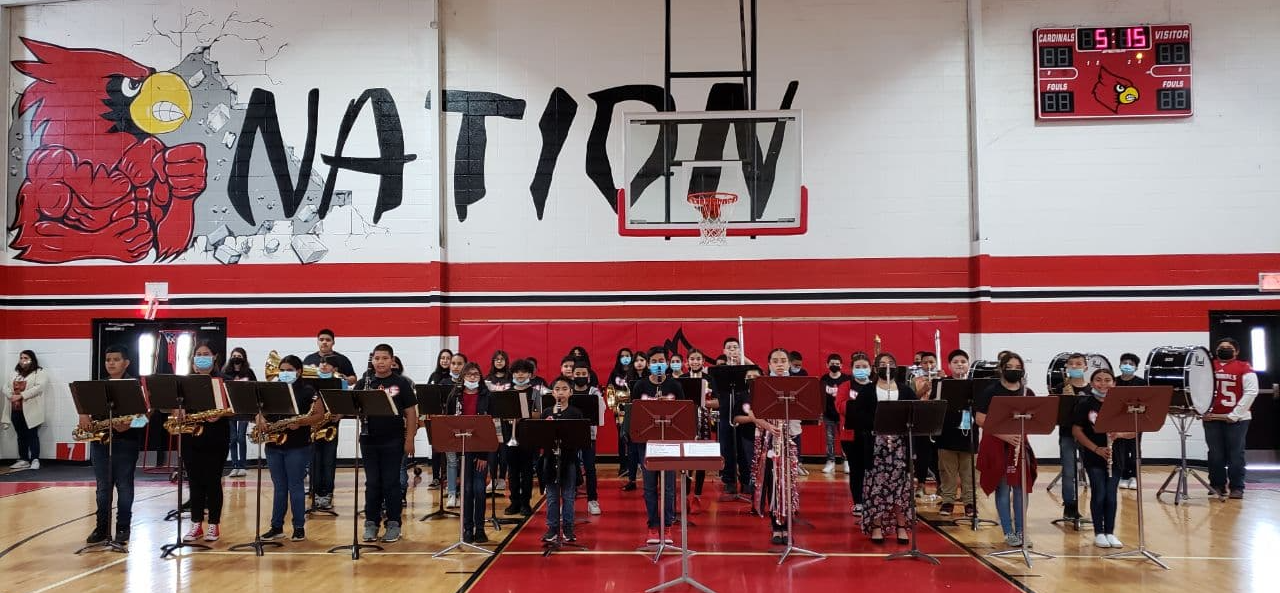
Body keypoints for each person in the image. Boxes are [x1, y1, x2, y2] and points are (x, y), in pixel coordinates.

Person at [80, 345, 146, 544]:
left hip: (126, 442)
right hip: (101, 442)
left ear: (126, 363)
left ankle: (123, 528)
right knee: (102, 488)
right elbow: (85, 409)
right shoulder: (98, 387)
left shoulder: (135, 386)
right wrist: (84, 415)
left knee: (124, 486)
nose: (111, 363)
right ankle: (102, 529)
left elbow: (145, 419)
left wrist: (129, 424)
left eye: (116, 359)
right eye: (108, 359)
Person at [356, 344, 418, 544]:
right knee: (372, 483)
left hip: (393, 440)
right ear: (372, 360)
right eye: (377, 358)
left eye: (384, 358)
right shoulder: (365, 381)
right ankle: (371, 524)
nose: (380, 362)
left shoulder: (401, 383)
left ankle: (393, 524)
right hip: (369, 440)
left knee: (392, 483)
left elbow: (410, 413)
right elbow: (352, 406)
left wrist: (409, 440)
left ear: (392, 360)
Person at [976, 352, 1039, 548]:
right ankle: (1008, 532)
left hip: (1019, 445)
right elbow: (980, 419)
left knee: (1021, 489)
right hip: (997, 443)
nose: (1014, 370)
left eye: (1017, 367)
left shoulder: (1027, 392)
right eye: (1009, 367)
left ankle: (1022, 531)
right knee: (1002, 488)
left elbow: (1036, 418)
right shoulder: (990, 391)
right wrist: (1004, 436)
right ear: (1001, 369)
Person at [259, 355, 323, 542]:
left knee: (295, 486)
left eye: (289, 370)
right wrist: (260, 420)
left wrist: (301, 421)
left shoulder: (308, 390)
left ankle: (299, 527)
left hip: (297, 444)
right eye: (282, 370)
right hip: (273, 444)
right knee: (279, 487)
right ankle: (276, 526)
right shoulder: (272, 389)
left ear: (299, 371)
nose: (284, 373)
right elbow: (260, 411)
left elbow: (319, 415)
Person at [746, 349, 804, 545]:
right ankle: (775, 526)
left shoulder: (799, 385)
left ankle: (787, 525)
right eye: (775, 361)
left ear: (789, 364)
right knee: (772, 481)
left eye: (783, 361)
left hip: (792, 437)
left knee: (788, 481)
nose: (779, 364)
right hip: (769, 437)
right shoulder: (761, 385)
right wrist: (768, 426)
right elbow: (752, 412)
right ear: (769, 364)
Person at [859, 352, 918, 544]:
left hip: (899, 448)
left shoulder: (906, 391)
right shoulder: (867, 391)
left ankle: (902, 526)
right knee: (876, 488)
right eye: (882, 364)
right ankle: (876, 526)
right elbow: (860, 420)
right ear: (876, 369)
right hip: (876, 447)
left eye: (891, 363)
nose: (887, 366)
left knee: (900, 488)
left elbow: (915, 418)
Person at [1073, 368, 1132, 549]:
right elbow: (1076, 431)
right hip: (1094, 455)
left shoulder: (1121, 404)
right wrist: (1096, 449)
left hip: (1116, 456)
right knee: (1099, 493)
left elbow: (1134, 430)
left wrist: (1119, 434)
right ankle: (1099, 532)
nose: (1103, 383)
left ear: (1114, 384)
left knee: (1111, 495)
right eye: (1098, 380)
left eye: (1107, 380)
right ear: (1091, 383)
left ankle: (1110, 532)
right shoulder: (1085, 403)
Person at [182, 342, 231, 543]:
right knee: (194, 482)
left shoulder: (223, 381)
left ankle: (213, 525)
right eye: (198, 354)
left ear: (214, 357)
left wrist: (220, 414)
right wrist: (179, 411)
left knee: (212, 482)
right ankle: (195, 525)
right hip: (191, 436)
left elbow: (235, 407)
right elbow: (173, 406)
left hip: (216, 436)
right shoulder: (184, 383)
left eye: (206, 354)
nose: (202, 357)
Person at [634, 347, 684, 544]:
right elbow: (635, 415)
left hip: (669, 441)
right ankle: (653, 526)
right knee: (649, 486)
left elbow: (683, 413)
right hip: (646, 442)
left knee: (669, 486)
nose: (658, 365)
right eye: (654, 361)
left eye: (661, 360)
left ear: (667, 362)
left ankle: (668, 525)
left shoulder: (675, 385)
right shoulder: (640, 385)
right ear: (648, 364)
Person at [445, 361, 494, 543]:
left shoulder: (487, 397)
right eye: (469, 374)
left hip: (481, 449)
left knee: (479, 489)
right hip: (462, 449)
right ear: (463, 377)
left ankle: (479, 528)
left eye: (476, 374)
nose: (472, 377)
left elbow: (490, 426)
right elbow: (450, 423)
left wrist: (484, 455)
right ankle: (466, 528)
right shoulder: (455, 396)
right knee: (466, 490)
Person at [1204, 338, 1257, 500]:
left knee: (1236, 454)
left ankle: (1237, 487)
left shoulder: (1244, 367)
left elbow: (1251, 392)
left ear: (1236, 351)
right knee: (1215, 454)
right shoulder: (1208, 367)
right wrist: (1201, 410)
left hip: (1238, 419)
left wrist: (1234, 415)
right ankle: (1217, 485)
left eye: (1228, 347)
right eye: (1221, 347)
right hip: (1212, 417)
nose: (1224, 349)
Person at [540, 376, 585, 542]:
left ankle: (568, 528)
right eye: (557, 389)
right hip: (550, 459)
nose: (561, 392)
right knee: (552, 496)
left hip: (569, 459)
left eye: (564, 389)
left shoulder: (575, 413)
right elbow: (540, 437)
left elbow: (580, 438)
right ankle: (552, 528)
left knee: (568, 495)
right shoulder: (546, 412)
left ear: (571, 392)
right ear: (552, 393)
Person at [936, 349, 977, 517]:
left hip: (968, 433)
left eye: (963, 361)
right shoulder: (941, 384)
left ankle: (969, 502)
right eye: (955, 362)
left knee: (968, 471)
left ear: (968, 365)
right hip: (946, 433)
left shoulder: (975, 385)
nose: (959, 364)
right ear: (949, 365)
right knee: (947, 470)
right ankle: (948, 501)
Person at [1049, 353, 1089, 522]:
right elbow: (1053, 412)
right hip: (1066, 433)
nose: (1074, 367)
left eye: (1078, 364)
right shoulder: (1060, 387)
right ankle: (1070, 506)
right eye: (1071, 364)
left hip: (1088, 435)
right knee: (1068, 471)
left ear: (1085, 367)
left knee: (1092, 469)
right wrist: (1065, 399)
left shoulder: (1090, 389)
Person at [504, 359, 546, 516]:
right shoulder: (507, 393)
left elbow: (538, 415)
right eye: (516, 372)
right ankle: (514, 502)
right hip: (510, 439)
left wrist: (521, 415)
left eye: (523, 372)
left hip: (528, 439)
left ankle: (525, 503)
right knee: (512, 472)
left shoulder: (535, 393)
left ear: (530, 374)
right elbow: (502, 415)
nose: (520, 375)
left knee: (527, 472)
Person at [835, 354, 873, 514]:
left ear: (870, 369)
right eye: (857, 367)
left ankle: (872, 500)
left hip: (872, 434)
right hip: (850, 435)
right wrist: (862, 405)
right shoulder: (845, 385)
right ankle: (858, 501)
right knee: (856, 469)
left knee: (871, 469)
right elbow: (840, 405)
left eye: (864, 366)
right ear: (851, 369)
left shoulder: (875, 385)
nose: (861, 369)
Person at [717, 337, 753, 497]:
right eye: (729, 347)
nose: (732, 350)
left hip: (743, 414)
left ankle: (746, 481)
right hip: (725, 413)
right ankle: (729, 481)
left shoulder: (746, 369)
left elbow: (758, 372)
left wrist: (742, 358)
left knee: (744, 449)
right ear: (724, 351)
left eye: (735, 347)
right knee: (727, 448)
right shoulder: (720, 370)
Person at [570, 359, 605, 515]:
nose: (581, 376)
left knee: (590, 468)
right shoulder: (568, 391)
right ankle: (568, 500)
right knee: (570, 467)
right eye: (578, 374)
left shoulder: (594, 392)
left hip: (588, 436)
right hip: (569, 435)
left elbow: (601, 410)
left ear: (588, 376)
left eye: (584, 374)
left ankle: (592, 500)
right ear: (572, 375)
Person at [310, 355, 345, 510]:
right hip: (314, 425)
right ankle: (316, 492)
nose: (324, 366)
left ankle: (327, 494)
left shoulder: (341, 382)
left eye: (328, 364)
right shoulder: (311, 382)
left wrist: (341, 413)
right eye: (322, 363)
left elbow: (347, 402)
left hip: (331, 425)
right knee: (315, 460)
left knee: (329, 460)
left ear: (335, 369)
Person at [3, 349, 47, 470]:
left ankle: (35, 459)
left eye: (25, 358)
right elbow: (5, 387)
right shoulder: (14, 373)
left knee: (32, 434)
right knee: (20, 435)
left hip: (31, 409)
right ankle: (23, 459)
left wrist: (22, 395)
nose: (23, 360)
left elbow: (39, 387)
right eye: (21, 358)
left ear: (31, 359)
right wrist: (10, 395)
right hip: (15, 409)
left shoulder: (39, 372)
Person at [684, 349, 715, 513]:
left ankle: (697, 496)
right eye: (692, 359)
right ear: (687, 361)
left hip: (704, 424)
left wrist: (705, 402)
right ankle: (686, 496)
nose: (695, 362)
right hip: (686, 425)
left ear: (703, 361)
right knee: (687, 461)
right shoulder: (682, 379)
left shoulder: (710, 379)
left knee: (701, 460)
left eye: (698, 359)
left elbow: (718, 402)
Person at [1113, 353, 1146, 489]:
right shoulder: (1114, 381)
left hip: (1135, 420)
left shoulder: (1141, 383)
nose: (1127, 366)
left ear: (1136, 367)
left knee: (1134, 449)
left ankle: (1134, 476)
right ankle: (1123, 475)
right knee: (1121, 449)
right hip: (1118, 420)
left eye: (1131, 364)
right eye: (1125, 363)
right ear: (1120, 365)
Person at [911, 351, 940, 500]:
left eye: (932, 362)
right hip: (921, 422)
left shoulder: (942, 379)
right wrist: (922, 390)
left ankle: (941, 485)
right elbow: (910, 399)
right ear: (921, 365)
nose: (929, 365)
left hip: (938, 422)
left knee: (938, 456)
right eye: (925, 363)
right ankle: (920, 485)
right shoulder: (914, 380)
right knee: (922, 456)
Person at [223, 347, 255, 478]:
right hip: (230, 410)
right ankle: (234, 465)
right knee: (232, 439)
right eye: (234, 355)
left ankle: (242, 466)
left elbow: (254, 387)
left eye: (239, 356)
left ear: (243, 358)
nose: (236, 358)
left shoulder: (249, 372)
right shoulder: (225, 372)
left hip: (243, 409)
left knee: (241, 438)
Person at [619, 351, 648, 491]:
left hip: (647, 415)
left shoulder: (651, 378)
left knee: (646, 449)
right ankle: (632, 480)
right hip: (632, 414)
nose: (639, 363)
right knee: (631, 450)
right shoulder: (628, 379)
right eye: (637, 360)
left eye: (642, 360)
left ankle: (649, 481)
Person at [607, 348, 635, 486]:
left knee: (633, 439)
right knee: (621, 437)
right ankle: (623, 466)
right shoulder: (614, 373)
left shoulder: (634, 371)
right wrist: (614, 406)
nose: (625, 358)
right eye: (622, 356)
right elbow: (609, 390)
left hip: (634, 409)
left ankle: (634, 466)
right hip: (620, 410)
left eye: (628, 356)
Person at [486, 351, 513, 492]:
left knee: (504, 451)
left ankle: (502, 478)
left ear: (506, 361)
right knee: (492, 450)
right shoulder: (488, 379)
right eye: (496, 359)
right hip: (492, 419)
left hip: (506, 420)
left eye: (502, 359)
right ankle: (493, 479)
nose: (499, 362)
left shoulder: (511, 378)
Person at [820, 353, 850, 475]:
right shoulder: (824, 379)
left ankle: (847, 462)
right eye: (832, 364)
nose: (835, 366)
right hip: (828, 415)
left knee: (845, 440)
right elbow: (820, 398)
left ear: (841, 365)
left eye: (837, 364)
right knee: (830, 440)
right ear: (827, 365)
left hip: (843, 415)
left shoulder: (846, 379)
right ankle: (830, 462)